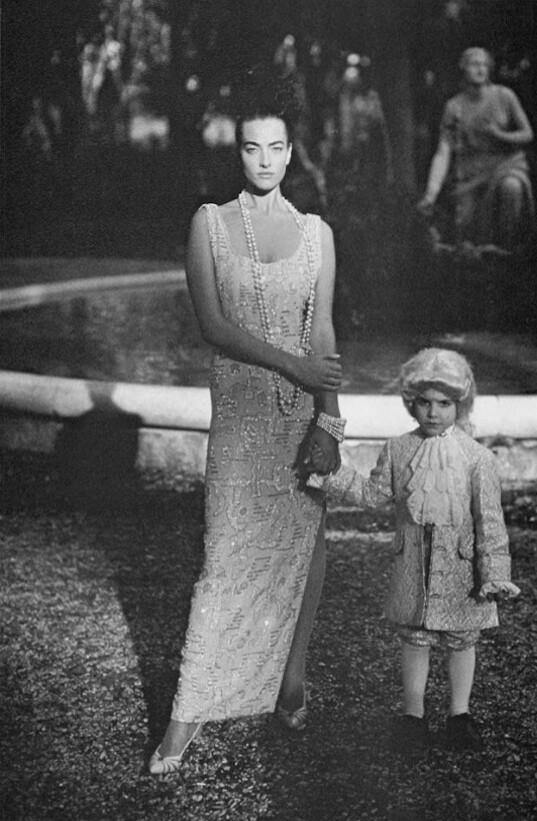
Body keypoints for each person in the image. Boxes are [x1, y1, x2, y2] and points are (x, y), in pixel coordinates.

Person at [149, 67, 343, 775]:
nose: (264, 160)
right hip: (240, 417)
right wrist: (294, 367)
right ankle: (186, 714)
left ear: (291, 152)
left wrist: (330, 422)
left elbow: (321, 334)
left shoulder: (317, 234)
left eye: (275, 147)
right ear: (238, 152)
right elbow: (212, 325)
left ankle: (290, 680)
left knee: (306, 548)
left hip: (301, 416)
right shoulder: (208, 223)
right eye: (251, 147)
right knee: (223, 558)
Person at [307, 348, 519, 756]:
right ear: (411, 403)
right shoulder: (399, 450)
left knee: (461, 638)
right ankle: (413, 716)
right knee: (415, 638)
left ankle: (460, 716)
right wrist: (329, 473)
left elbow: (490, 521)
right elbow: (373, 494)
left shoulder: (478, 459)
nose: (433, 412)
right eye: (424, 402)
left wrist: (495, 573)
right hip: (413, 567)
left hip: (461, 570)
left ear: (460, 405)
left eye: (444, 403)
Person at [418, 47, 534, 250]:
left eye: (484, 65)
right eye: (474, 64)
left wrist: (499, 135)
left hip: (505, 166)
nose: (480, 69)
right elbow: (443, 152)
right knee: (466, 233)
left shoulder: (504, 96)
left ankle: (508, 252)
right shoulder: (454, 106)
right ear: (463, 68)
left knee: (511, 187)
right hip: (471, 176)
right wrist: (431, 193)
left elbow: (527, 134)